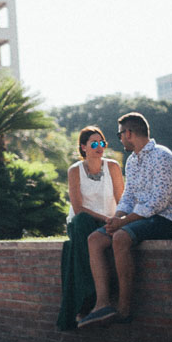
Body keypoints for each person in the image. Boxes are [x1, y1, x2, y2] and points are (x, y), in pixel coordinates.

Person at [78, 111, 172, 328]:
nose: (119, 139)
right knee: (95, 239)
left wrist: (123, 223)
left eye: (120, 134)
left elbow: (157, 203)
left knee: (121, 237)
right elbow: (129, 196)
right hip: (142, 219)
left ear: (128, 133)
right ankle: (102, 305)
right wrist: (116, 217)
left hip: (169, 219)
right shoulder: (132, 162)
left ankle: (124, 309)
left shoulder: (162, 156)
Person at [56, 125, 124, 330]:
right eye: (94, 143)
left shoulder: (112, 166)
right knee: (82, 225)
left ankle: (89, 302)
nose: (99, 147)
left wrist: (118, 220)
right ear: (83, 147)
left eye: (102, 143)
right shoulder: (75, 170)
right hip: (82, 222)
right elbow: (78, 208)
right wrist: (104, 218)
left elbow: (122, 200)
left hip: (110, 222)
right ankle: (91, 298)